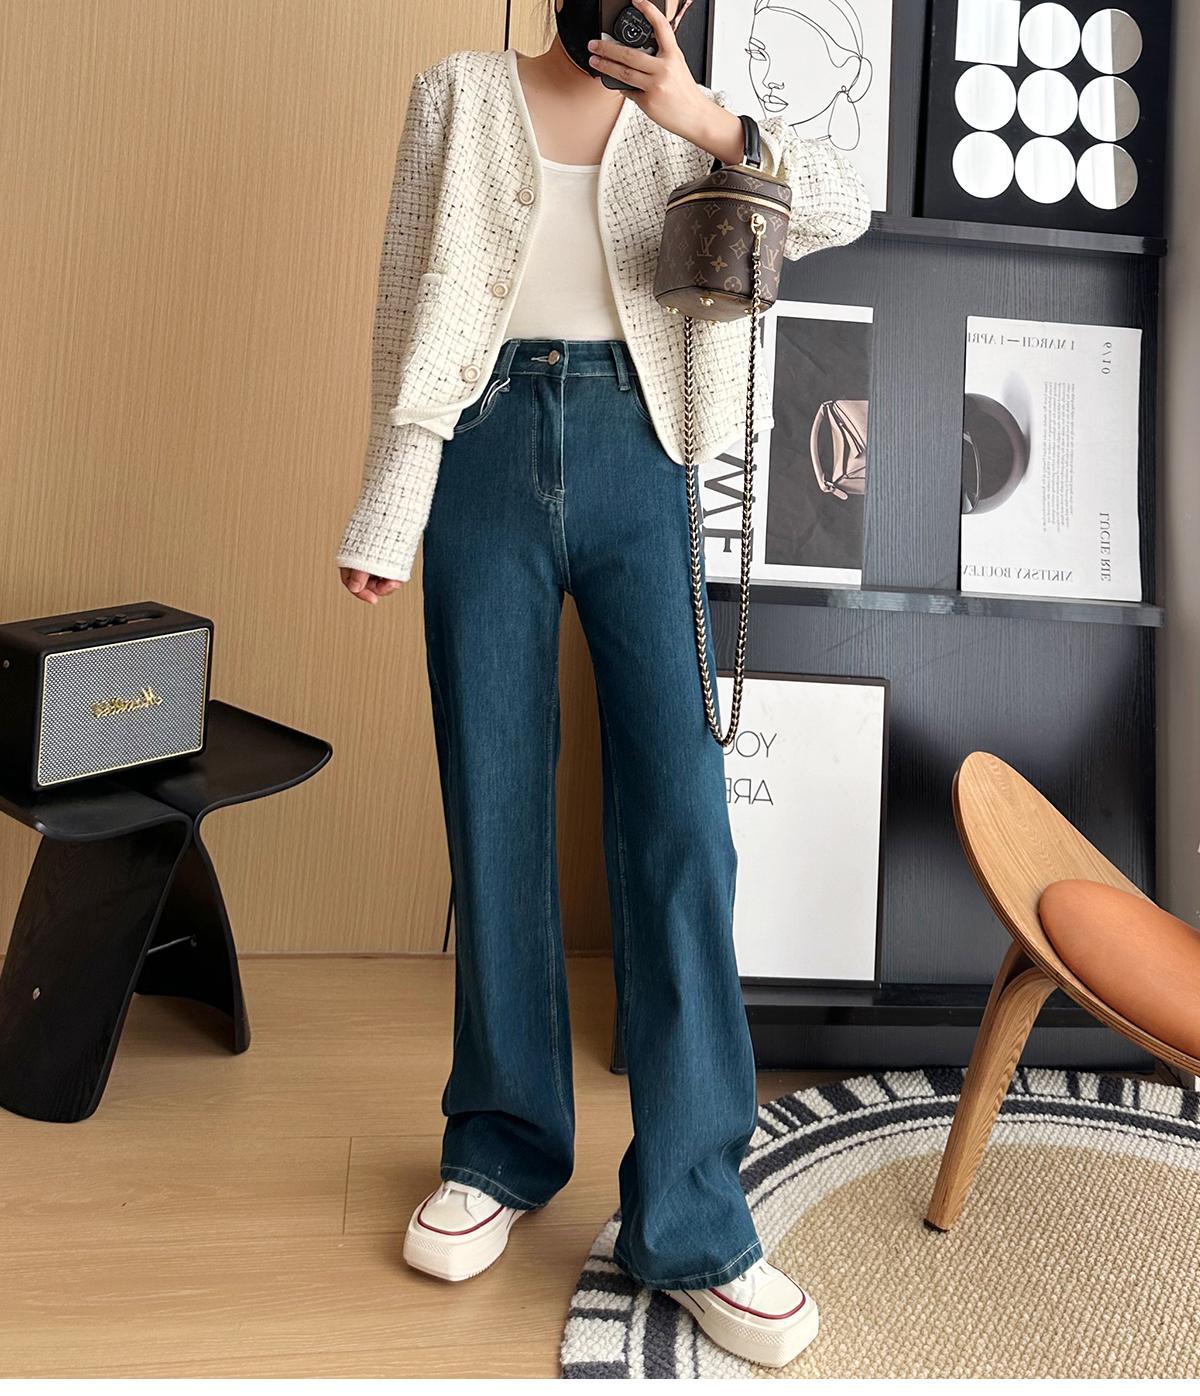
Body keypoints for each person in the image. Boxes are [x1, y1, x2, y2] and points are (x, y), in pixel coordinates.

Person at [336, 0, 870, 1368]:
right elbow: (405, 307)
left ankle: (692, 1217)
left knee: (682, 825)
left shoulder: (700, 111)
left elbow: (840, 203)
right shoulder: (458, 94)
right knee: (495, 801)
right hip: (482, 452)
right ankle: (501, 1147)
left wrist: (698, 117)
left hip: (650, 456)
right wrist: (390, 502)